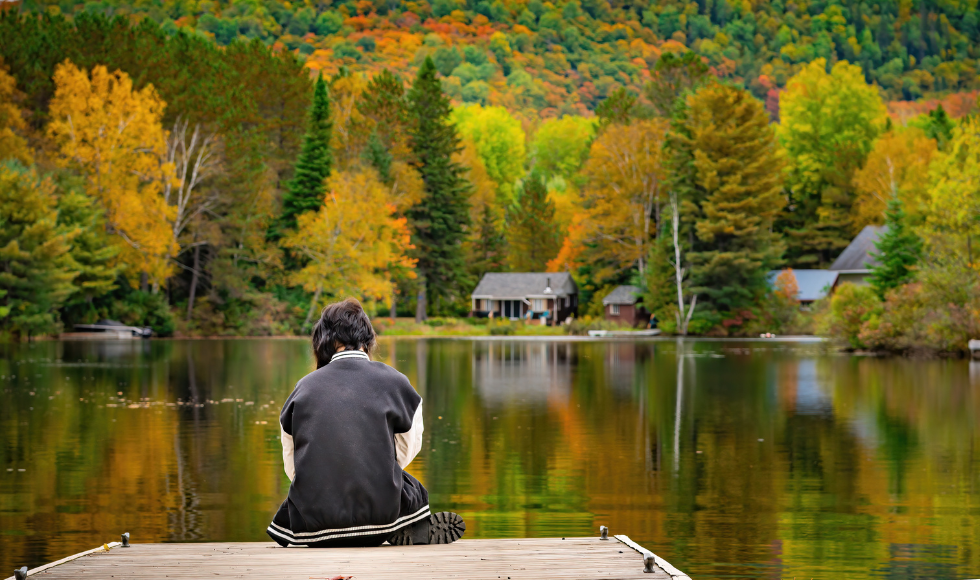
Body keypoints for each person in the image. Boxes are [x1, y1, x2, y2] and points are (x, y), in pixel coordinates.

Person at [267, 298, 465, 547]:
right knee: (411, 486)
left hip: (315, 523)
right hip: (380, 512)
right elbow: (407, 449)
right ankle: (403, 524)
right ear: (368, 338)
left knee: (299, 497)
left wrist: (328, 481)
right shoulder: (397, 383)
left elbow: (293, 465)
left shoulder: (303, 388)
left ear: (323, 340)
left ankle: (325, 530)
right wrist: (371, 468)